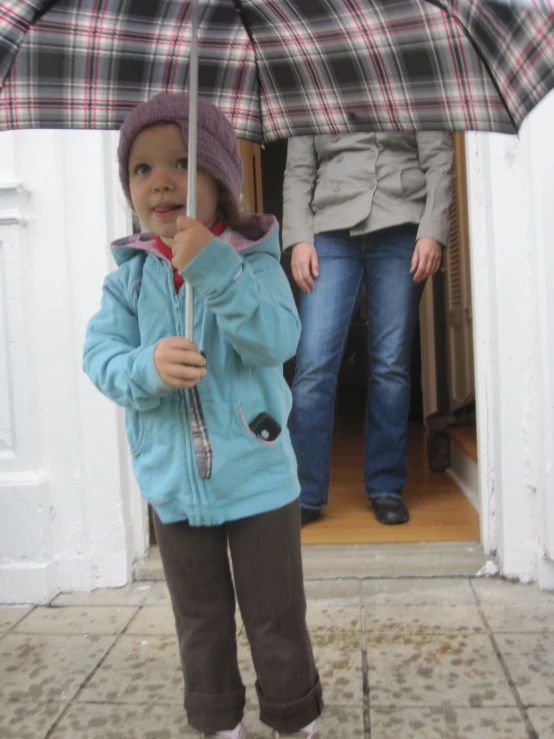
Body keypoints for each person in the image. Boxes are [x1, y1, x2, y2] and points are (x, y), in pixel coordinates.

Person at [83, 93, 322, 739]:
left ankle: (295, 720)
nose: (160, 179)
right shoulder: (129, 279)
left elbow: (277, 338)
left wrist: (213, 266)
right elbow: (100, 357)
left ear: (220, 178)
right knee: (200, 618)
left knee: (275, 616)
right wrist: (146, 367)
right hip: (173, 482)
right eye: (141, 168)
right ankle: (219, 724)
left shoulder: (252, 256)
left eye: (184, 162)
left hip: (258, 475)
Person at [283, 133, 453, 526]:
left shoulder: (415, 73)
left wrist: (432, 228)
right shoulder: (310, 81)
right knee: (312, 364)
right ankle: (304, 493)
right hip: (328, 229)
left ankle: (386, 487)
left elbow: (438, 158)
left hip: (402, 222)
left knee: (391, 365)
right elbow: (299, 170)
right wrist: (298, 238)